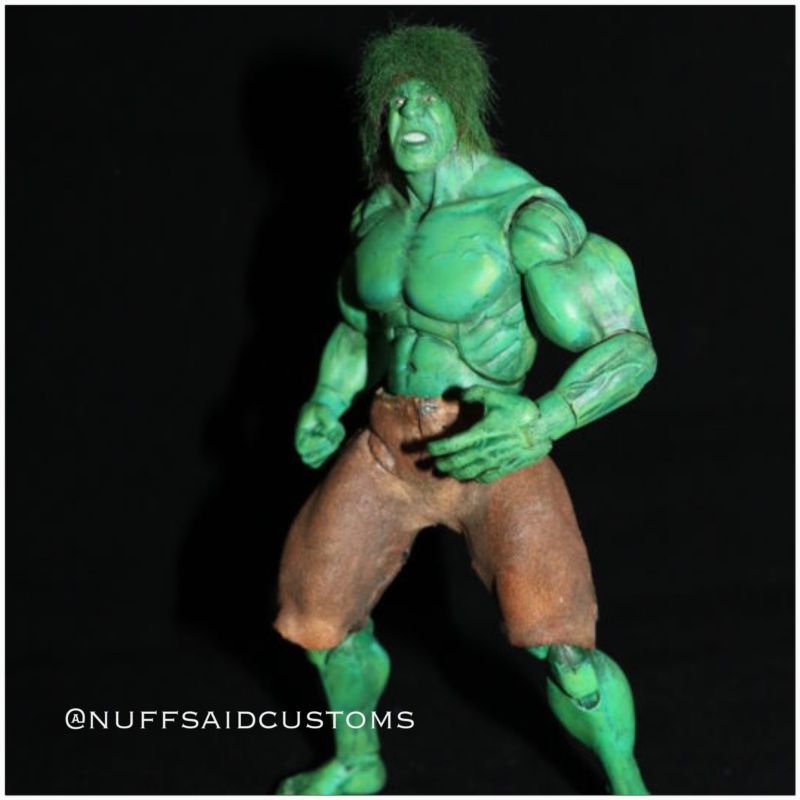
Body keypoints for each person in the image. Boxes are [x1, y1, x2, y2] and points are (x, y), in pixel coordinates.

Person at [274, 24, 656, 795]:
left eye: (428, 99)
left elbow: (630, 347)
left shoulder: (523, 213)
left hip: (491, 445)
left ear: (461, 108)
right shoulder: (377, 216)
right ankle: (358, 761)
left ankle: (628, 784)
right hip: (388, 448)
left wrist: (545, 418)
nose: (408, 115)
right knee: (317, 616)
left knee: (566, 650)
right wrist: (326, 398)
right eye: (394, 102)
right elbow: (359, 328)